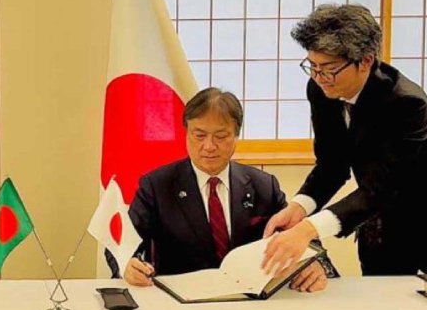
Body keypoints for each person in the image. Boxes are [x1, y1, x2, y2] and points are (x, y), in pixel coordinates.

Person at [262, 4, 427, 276]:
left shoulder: (406, 103)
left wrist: (309, 229)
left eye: (329, 68)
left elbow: (385, 186)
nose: (320, 78)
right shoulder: (321, 90)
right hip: (384, 226)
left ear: (366, 61)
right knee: (379, 299)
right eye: (313, 66)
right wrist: (300, 207)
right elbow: (332, 164)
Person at [124, 87, 335, 292]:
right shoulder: (157, 185)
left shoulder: (263, 185)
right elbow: (125, 244)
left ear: (236, 135)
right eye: (199, 135)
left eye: (221, 136)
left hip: (250, 299)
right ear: (186, 133)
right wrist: (128, 264)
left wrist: (315, 264)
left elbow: (300, 235)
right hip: (179, 300)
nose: (209, 146)